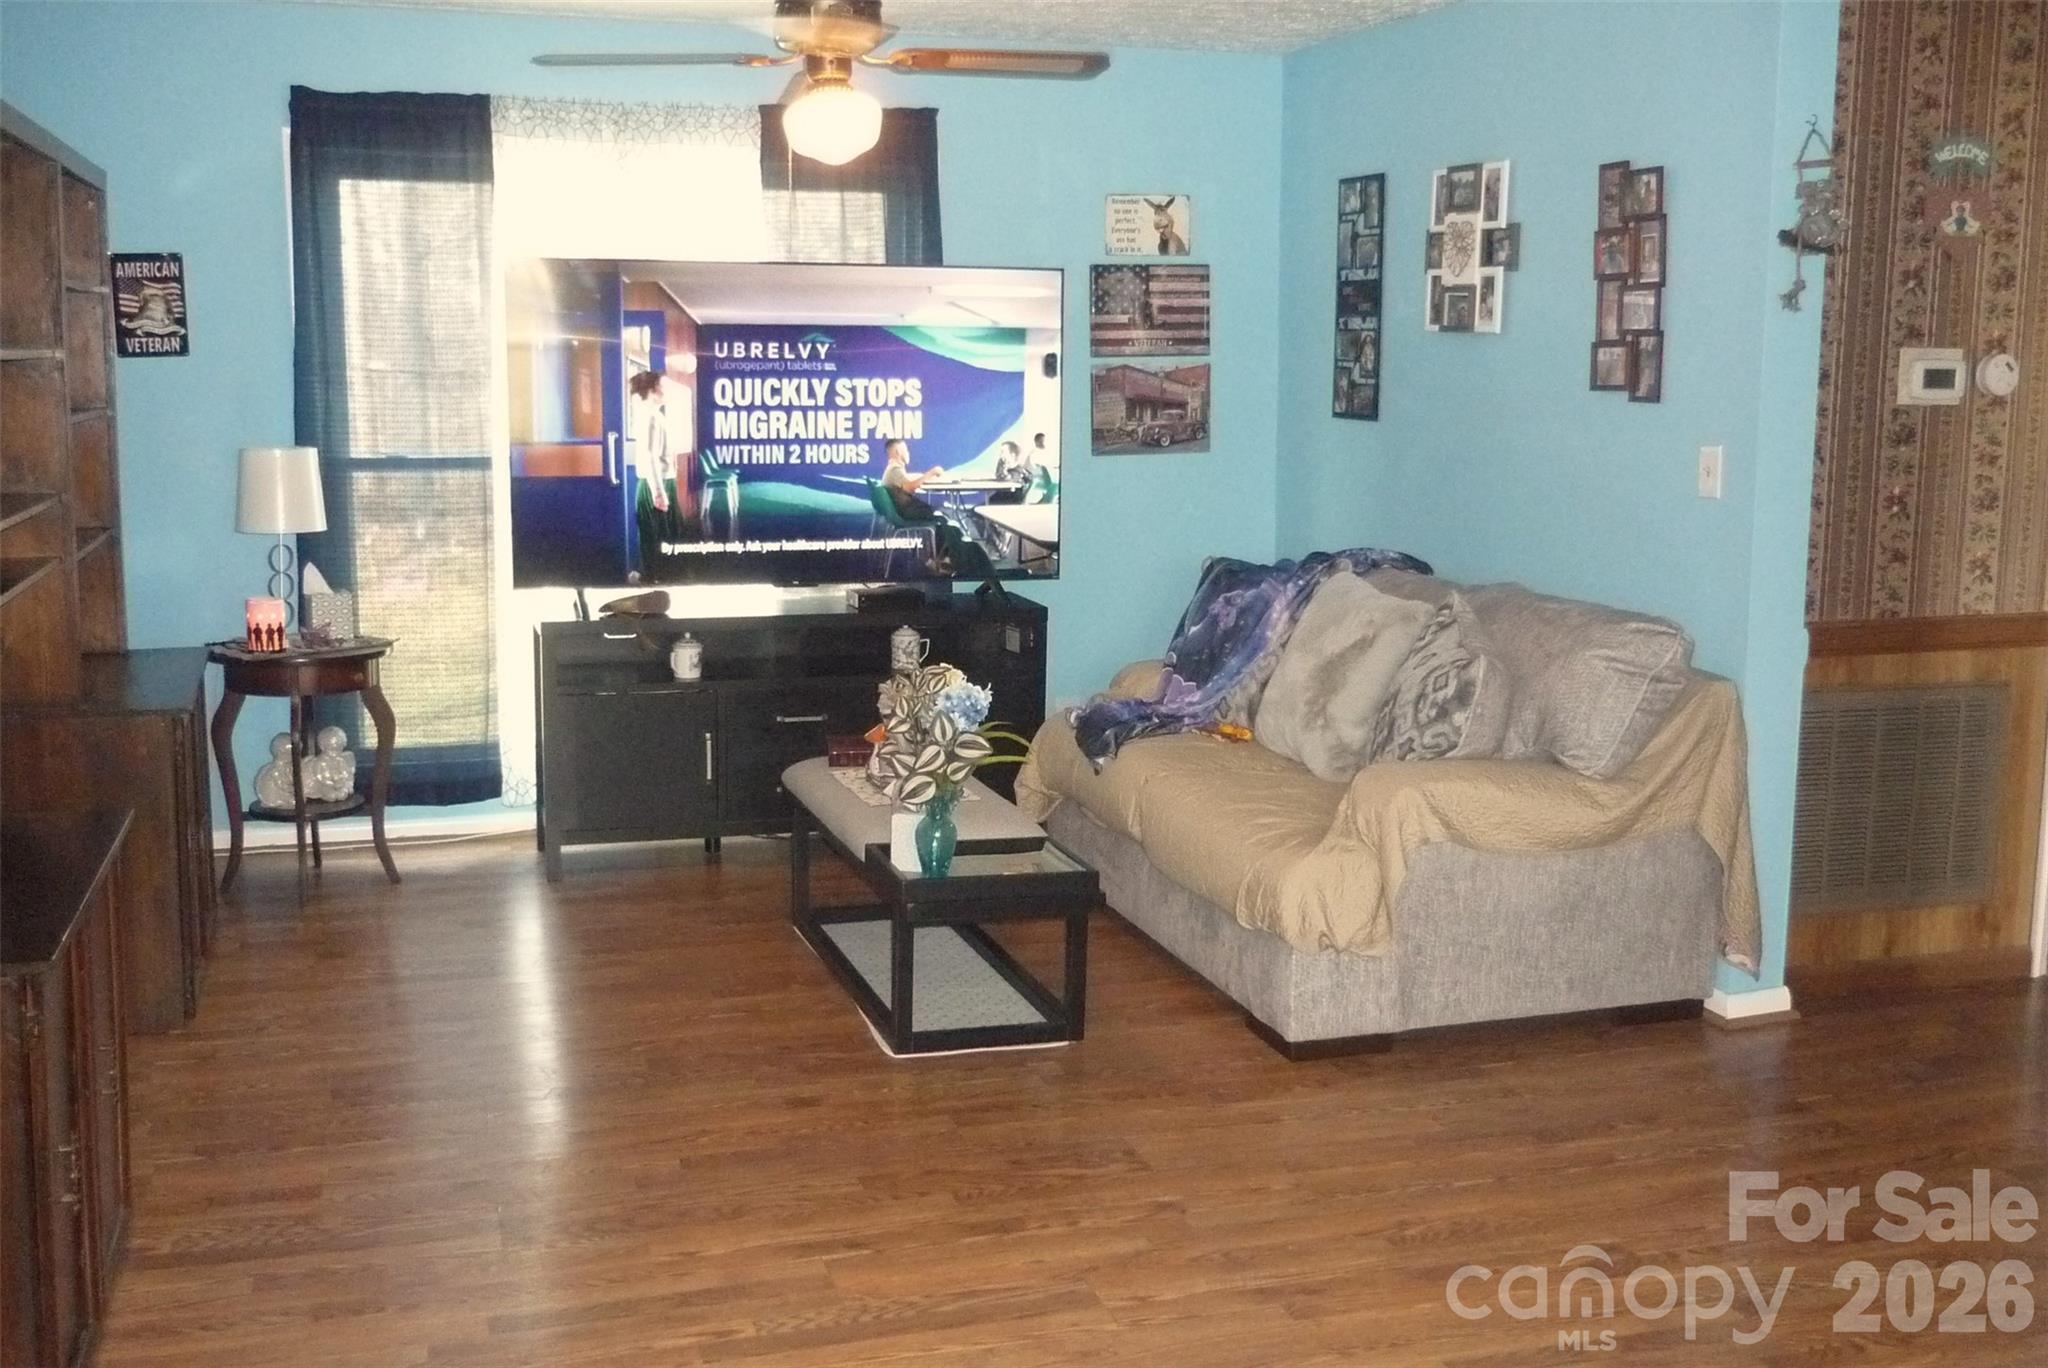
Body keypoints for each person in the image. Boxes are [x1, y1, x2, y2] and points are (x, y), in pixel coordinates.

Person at [880, 439, 993, 580]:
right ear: (898, 452)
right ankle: (952, 562)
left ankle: (943, 561)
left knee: (943, 518)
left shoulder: (893, 469)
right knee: (945, 518)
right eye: (906, 449)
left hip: (906, 509)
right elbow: (909, 487)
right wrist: (931, 473)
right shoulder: (895, 470)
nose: (908, 453)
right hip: (908, 511)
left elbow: (906, 484)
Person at [628, 370, 688, 573]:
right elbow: (650, 456)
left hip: (661, 482)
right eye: (664, 386)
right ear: (653, 390)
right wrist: (658, 492)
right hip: (655, 484)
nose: (668, 391)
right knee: (657, 538)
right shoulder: (650, 417)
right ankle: (656, 577)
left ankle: (661, 576)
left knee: (665, 536)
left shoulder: (654, 415)